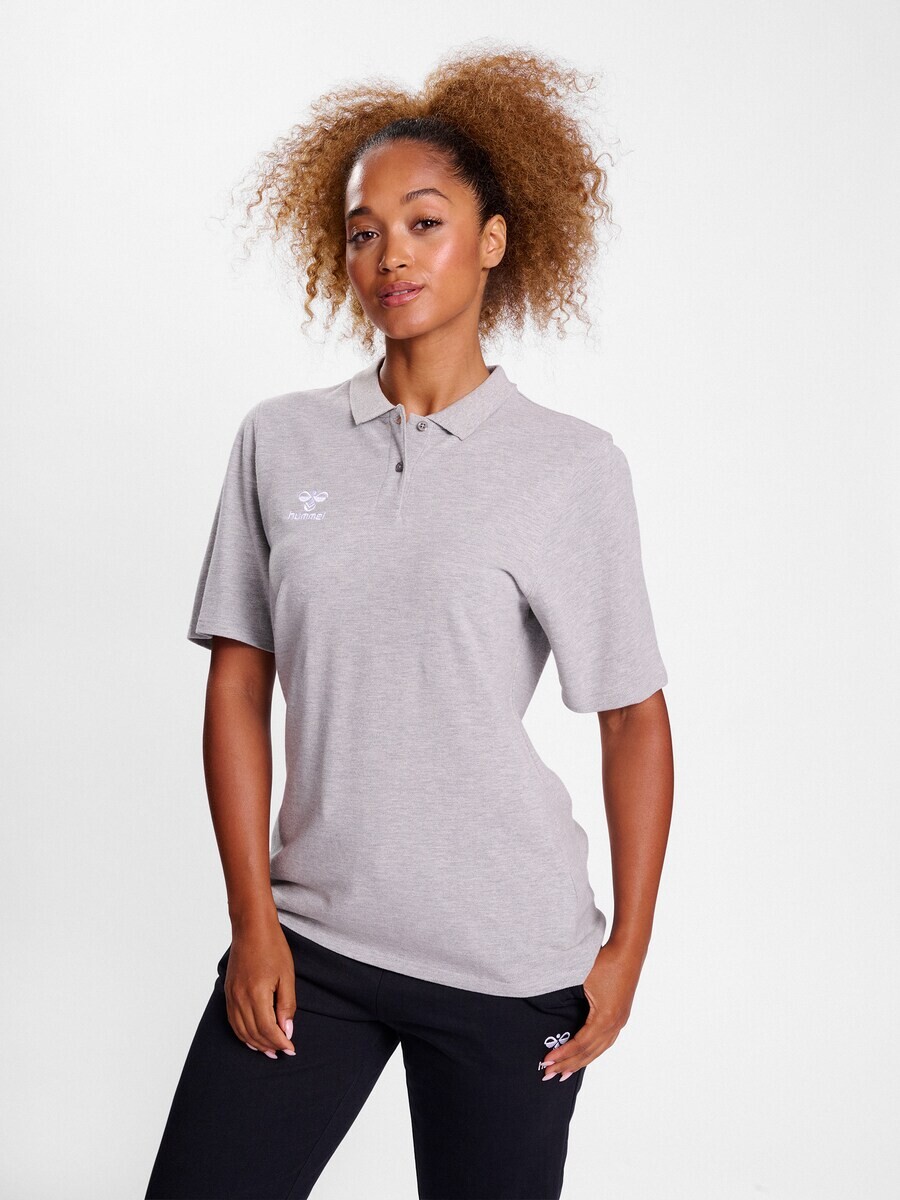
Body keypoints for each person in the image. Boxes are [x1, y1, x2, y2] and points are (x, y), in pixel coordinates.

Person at [145, 42, 674, 1200]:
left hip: (509, 961)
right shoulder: (280, 441)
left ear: (493, 240)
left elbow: (633, 717)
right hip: (312, 943)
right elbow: (238, 685)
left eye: (425, 223)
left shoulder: (569, 468)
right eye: (363, 231)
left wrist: (626, 953)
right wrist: (252, 921)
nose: (390, 254)